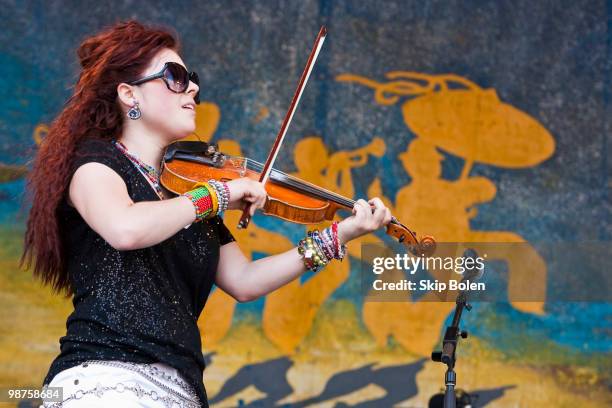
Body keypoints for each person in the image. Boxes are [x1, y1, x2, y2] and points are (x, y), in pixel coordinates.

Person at [21, 20, 392, 407]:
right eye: (176, 77)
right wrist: (217, 194)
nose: (194, 88)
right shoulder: (95, 165)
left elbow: (244, 281)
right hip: (105, 379)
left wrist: (338, 237)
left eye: (191, 78)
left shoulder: (192, 196)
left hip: (180, 390)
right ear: (130, 94)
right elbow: (124, 229)